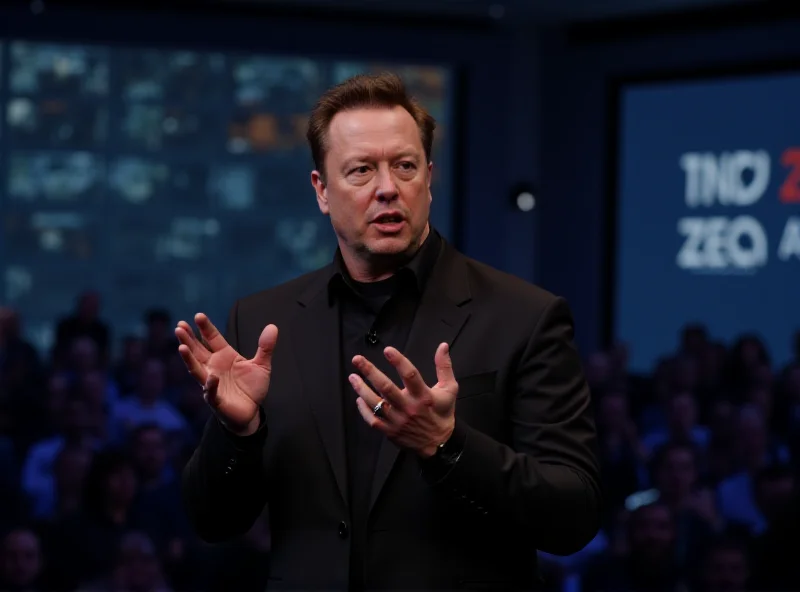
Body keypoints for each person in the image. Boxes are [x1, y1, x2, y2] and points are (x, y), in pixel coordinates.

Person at [179, 72, 601, 591]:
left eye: (404, 166)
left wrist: (448, 446)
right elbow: (213, 522)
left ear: (428, 176)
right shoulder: (267, 321)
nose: (387, 188)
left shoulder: (523, 316)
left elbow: (574, 514)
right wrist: (238, 435)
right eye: (360, 170)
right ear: (322, 191)